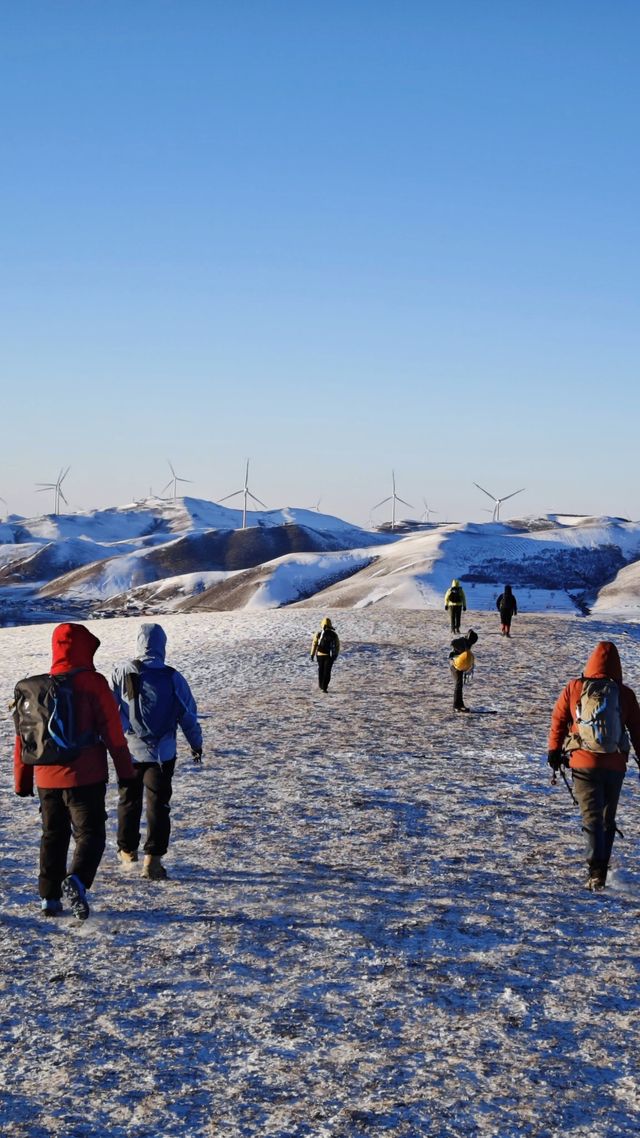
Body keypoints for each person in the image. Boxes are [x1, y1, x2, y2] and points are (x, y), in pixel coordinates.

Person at [13, 622, 135, 920]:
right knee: (90, 833)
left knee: (52, 835)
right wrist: (126, 773)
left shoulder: (37, 689)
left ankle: (49, 898)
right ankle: (77, 880)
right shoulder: (93, 683)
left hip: (45, 778)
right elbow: (113, 734)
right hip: (85, 776)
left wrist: (22, 780)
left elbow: (24, 738)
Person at [111, 623, 203, 880]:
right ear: (162, 645)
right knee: (158, 805)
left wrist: (113, 743)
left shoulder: (122, 672)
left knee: (128, 801)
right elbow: (188, 715)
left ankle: (127, 851)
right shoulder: (173, 677)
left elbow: (112, 712)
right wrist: (196, 745)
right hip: (162, 754)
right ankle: (153, 860)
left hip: (129, 751)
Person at [548, 640, 640, 891]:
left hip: (583, 762)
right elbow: (637, 730)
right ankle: (601, 868)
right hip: (615, 765)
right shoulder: (625, 694)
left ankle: (596, 871)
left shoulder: (575, 688)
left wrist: (554, 751)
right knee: (607, 818)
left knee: (591, 817)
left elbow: (558, 719)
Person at [449, 629, 478, 713]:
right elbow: (452, 643)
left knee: (460, 685)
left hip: (459, 665)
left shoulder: (467, 643)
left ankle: (460, 704)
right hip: (455, 664)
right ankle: (456, 706)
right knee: (458, 685)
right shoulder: (462, 641)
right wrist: (460, 651)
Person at [310, 617, 340, 693]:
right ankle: (324, 687)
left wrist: (312, 654)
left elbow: (314, 644)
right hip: (328, 655)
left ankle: (321, 684)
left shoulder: (319, 634)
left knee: (321, 670)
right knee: (327, 671)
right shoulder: (334, 634)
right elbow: (337, 646)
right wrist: (335, 655)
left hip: (319, 655)